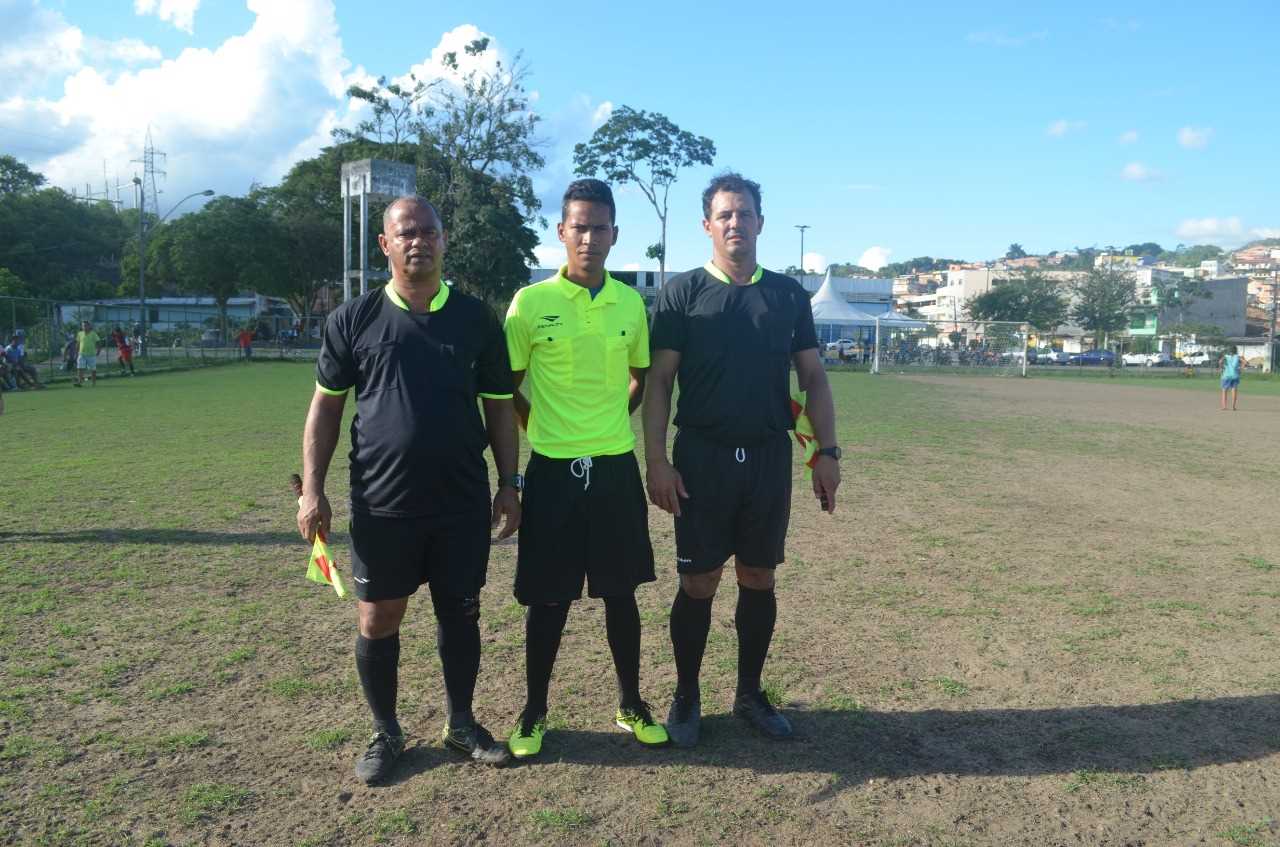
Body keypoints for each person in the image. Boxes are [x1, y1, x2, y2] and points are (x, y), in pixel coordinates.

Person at [297, 196, 520, 784]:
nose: (418, 241)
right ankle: (386, 732)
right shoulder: (353, 319)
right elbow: (325, 410)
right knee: (377, 619)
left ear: (444, 241)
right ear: (385, 245)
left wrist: (509, 484)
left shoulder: (476, 318)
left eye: (429, 232)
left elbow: (499, 410)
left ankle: (462, 724)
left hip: (460, 501)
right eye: (406, 233)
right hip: (381, 502)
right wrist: (311, 491)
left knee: (461, 613)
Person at [643, 172, 842, 747]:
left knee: (759, 576)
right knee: (699, 580)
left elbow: (813, 378)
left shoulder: (786, 295)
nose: (735, 223)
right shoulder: (681, 293)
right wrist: (656, 460)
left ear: (760, 222)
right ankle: (686, 693)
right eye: (724, 215)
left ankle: (750, 693)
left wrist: (826, 453)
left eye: (744, 213)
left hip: (766, 458)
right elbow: (659, 384)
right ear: (707, 225)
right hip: (701, 458)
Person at [503, 179, 668, 759]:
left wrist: (601, 422)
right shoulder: (530, 303)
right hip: (550, 472)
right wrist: (541, 427)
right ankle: (533, 712)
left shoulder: (630, 304)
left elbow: (639, 379)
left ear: (615, 234)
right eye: (580, 226)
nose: (590, 238)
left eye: (601, 227)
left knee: (621, 595)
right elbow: (505, 389)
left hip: (614, 469)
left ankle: (631, 703)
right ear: (561, 232)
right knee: (548, 600)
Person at [74, 321, 101, 387]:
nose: (84, 327)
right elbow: (77, 344)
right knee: (80, 368)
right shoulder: (80, 334)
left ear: (89, 326)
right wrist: (76, 353)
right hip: (81, 354)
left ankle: (93, 383)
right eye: (83, 326)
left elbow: (98, 343)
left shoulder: (93, 334)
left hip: (91, 354)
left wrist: (98, 351)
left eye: (86, 325)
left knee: (93, 369)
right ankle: (79, 382)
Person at [1220, 345, 1242, 411]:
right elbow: (1245, 362)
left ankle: (1224, 406)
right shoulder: (1238, 357)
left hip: (1226, 375)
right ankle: (1233, 406)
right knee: (1234, 390)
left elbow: (1220, 362)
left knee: (1224, 391)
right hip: (1235, 375)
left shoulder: (1226, 356)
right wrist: (1240, 369)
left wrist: (1221, 368)